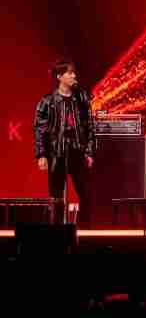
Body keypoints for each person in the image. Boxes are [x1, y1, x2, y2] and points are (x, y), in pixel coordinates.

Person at [33, 60, 96, 225]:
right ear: (59, 76)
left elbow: (90, 126)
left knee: (86, 192)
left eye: (74, 72)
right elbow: (39, 129)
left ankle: (86, 229)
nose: (74, 75)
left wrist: (89, 152)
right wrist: (41, 154)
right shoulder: (48, 101)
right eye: (69, 73)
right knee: (57, 195)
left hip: (77, 150)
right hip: (56, 151)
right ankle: (58, 229)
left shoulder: (81, 99)